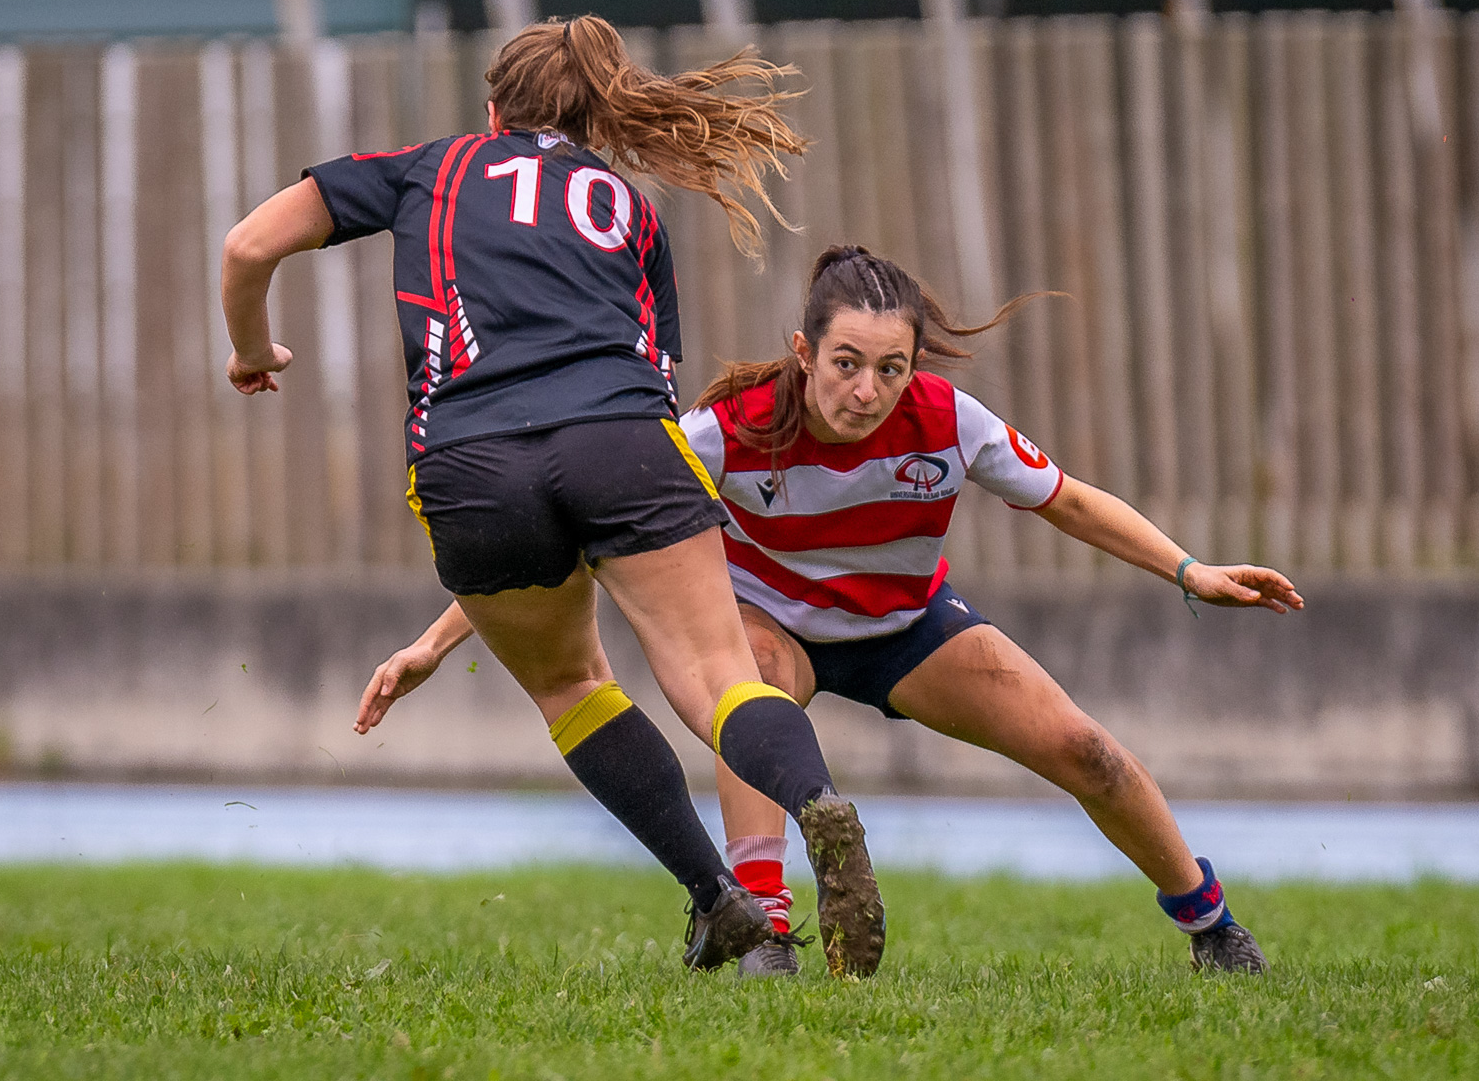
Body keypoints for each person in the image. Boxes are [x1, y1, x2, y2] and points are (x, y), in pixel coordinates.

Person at [368, 245, 1303, 978]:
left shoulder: (948, 420)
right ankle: (767, 928)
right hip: (775, 625)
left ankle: (1211, 926)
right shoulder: (725, 434)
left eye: (891, 369)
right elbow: (564, 549)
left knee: (1086, 752)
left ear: (914, 366)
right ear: (805, 352)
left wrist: (1189, 569)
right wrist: (434, 644)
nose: (868, 391)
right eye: (847, 363)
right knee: (753, 685)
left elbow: (1067, 498)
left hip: (908, 629)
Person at [221, 17, 884, 978]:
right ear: (597, 118)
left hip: (467, 461)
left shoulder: (428, 168)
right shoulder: (629, 207)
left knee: (573, 687)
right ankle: (818, 802)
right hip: (623, 439)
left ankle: (717, 897)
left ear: (491, 109)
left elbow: (248, 247)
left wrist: (249, 350)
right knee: (718, 678)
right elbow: (656, 376)